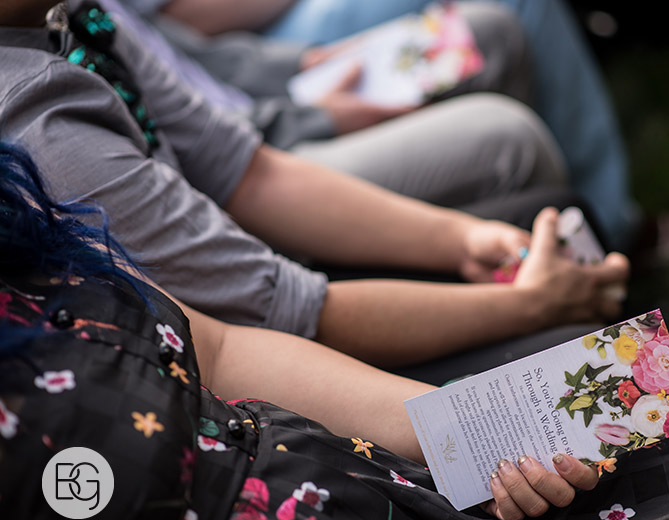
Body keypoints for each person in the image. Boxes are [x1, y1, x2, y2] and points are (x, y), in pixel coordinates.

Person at [0, 141, 669, 520]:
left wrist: (463, 437)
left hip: (359, 478)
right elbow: (284, 293)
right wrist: (522, 303)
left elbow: (215, 348)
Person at [0, 1, 629, 376]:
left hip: (257, 310)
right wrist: (530, 306)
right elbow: (270, 317)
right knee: (578, 355)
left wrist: (462, 239)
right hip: (240, 395)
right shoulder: (36, 121)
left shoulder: (75, 16)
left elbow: (248, 171)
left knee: (546, 225)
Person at [135, 0, 641, 250]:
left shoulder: (105, 24)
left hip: (260, 96)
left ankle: (593, 244)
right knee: (510, 140)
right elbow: (208, 135)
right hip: (261, 145)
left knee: (489, 34)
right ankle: (599, 242)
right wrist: (318, 113)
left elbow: (186, 56)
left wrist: (299, 64)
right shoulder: (91, 35)